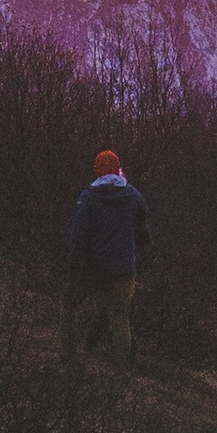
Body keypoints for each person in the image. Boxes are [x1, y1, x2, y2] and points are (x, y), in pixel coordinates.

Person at [63, 145, 150, 363]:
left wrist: (74, 273)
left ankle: (68, 358)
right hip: (124, 270)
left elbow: (78, 237)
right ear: (119, 170)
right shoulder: (133, 195)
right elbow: (144, 235)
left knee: (68, 305)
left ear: (97, 171)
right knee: (120, 319)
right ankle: (120, 374)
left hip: (95, 268)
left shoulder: (88, 197)